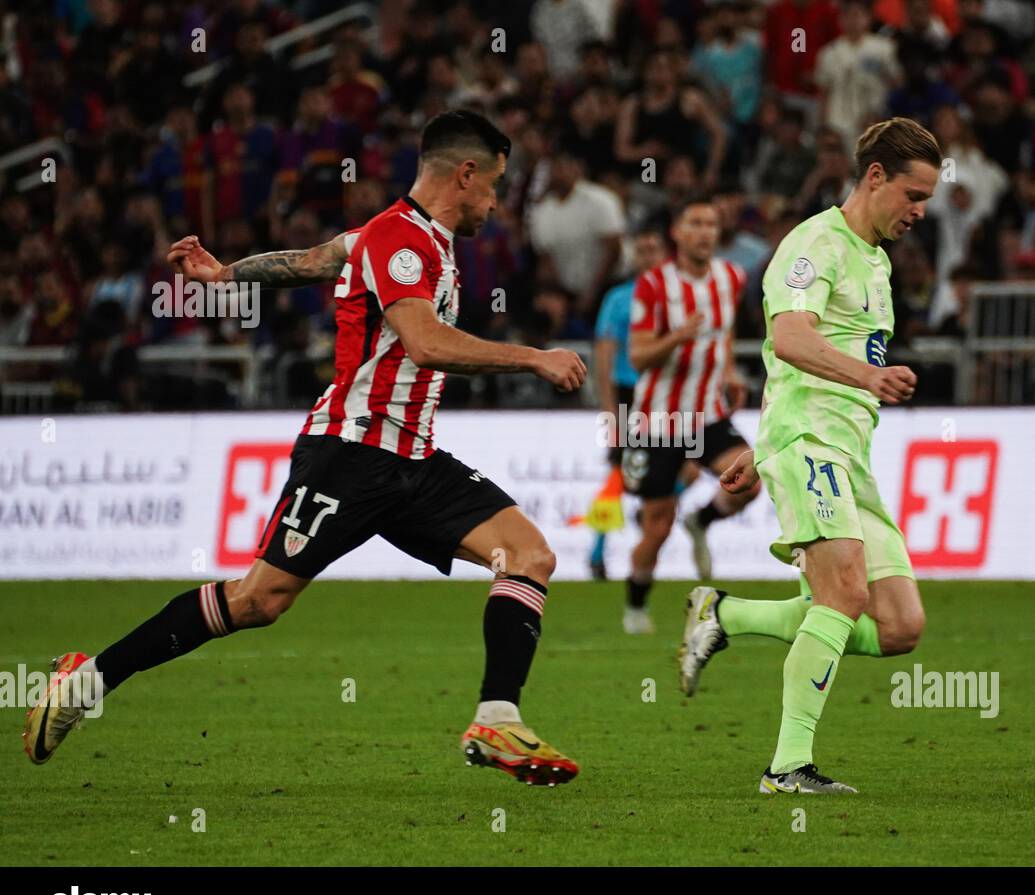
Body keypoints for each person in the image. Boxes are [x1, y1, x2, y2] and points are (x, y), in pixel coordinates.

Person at [23, 111, 589, 787]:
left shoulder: (387, 238)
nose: (497, 202)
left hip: (413, 458)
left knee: (528, 555)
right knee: (258, 601)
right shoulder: (400, 242)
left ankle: (496, 719)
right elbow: (426, 343)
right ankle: (85, 684)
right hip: (350, 456)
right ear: (464, 174)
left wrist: (225, 274)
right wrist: (533, 358)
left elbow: (307, 262)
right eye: (494, 183)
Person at [678, 118, 937, 795]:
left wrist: (761, 450)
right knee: (845, 593)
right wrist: (863, 379)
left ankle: (724, 615)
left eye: (928, 201)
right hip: (810, 441)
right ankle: (787, 768)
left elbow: (788, 366)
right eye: (913, 195)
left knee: (900, 625)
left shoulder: (876, 260)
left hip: (849, 453)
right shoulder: (814, 244)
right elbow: (790, 340)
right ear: (874, 177)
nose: (919, 213)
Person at [622, 195, 758, 635]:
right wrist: (677, 336)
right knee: (657, 527)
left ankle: (702, 519)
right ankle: (636, 605)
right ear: (677, 233)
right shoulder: (654, 286)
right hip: (658, 421)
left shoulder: (730, 278)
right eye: (695, 223)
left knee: (750, 478)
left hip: (708, 414)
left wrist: (731, 370)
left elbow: (725, 330)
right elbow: (638, 356)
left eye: (711, 224)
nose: (704, 231)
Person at [589, 225, 669, 580]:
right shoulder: (620, 298)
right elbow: (604, 354)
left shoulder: (676, 296)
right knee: (619, 475)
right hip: (630, 395)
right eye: (642, 250)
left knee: (687, 465)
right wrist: (608, 408)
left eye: (653, 249)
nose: (647, 256)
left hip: (668, 396)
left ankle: (645, 515)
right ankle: (597, 551)